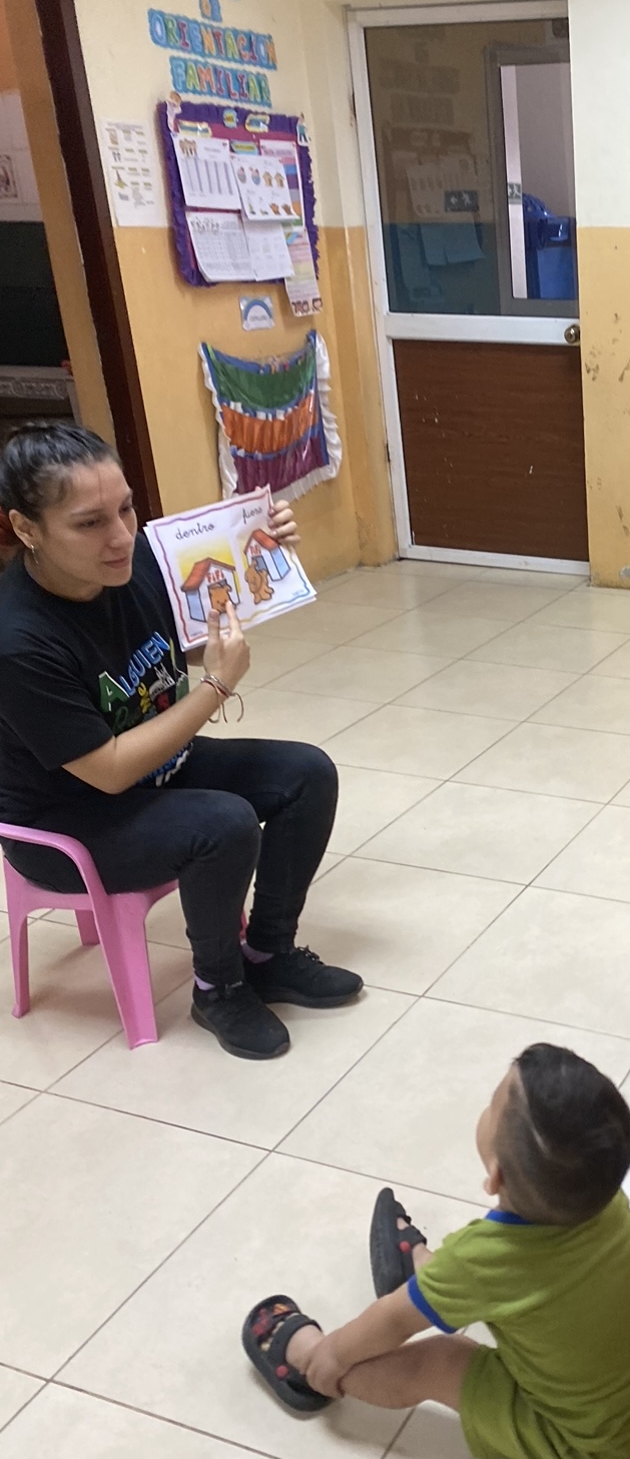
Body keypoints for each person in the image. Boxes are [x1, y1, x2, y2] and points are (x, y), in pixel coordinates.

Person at [0, 423, 361, 1060]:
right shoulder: (18, 640)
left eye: (126, 508)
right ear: (27, 529)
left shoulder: (135, 560)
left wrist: (261, 556)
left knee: (307, 774)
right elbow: (110, 770)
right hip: (66, 821)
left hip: (155, 769)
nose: (120, 536)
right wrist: (216, 687)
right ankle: (218, 988)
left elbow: (183, 641)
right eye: (89, 523)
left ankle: (268, 952)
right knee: (223, 824)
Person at [241, 1044, 630, 1459]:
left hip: (585, 1443)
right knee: (510, 1294)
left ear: (496, 1175)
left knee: (439, 1361)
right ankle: (429, 1277)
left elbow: (392, 1321)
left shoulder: (487, 1258)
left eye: (491, 1105)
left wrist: (335, 1354)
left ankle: (310, 1365)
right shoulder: (607, 1201)